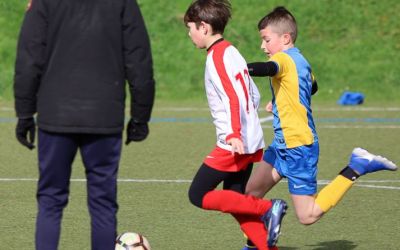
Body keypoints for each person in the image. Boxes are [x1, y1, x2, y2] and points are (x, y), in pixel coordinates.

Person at [242, 6, 398, 250]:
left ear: (285, 38)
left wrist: (238, 68)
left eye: (266, 39)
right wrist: (282, 98)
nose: (263, 46)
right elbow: (312, 87)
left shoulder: (281, 58)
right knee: (250, 194)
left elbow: (267, 68)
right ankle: (257, 244)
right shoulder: (301, 60)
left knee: (308, 215)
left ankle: (357, 166)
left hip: (299, 147)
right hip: (282, 145)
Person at [14, 0, 155, 249]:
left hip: (55, 117)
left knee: (50, 200)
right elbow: (139, 60)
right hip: (104, 116)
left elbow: (29, 58)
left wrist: (25, 113)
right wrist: (140, 116)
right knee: (103, 204)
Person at [184, 1, 288, 250]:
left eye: (190, 28)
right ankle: (267, 247)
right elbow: (252, 94)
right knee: (236, 202)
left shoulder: (216, 58)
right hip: (250, 139)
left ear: (204, 27)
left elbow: (233, 95)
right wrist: (247, 126)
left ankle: (267, 207)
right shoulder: (232, 51)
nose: (189, 34)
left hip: (234, 142)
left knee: (197, 194)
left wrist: (233, 133)